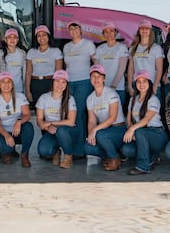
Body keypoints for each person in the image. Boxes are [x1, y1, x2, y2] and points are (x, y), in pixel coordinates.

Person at [122, 70, 169, 175]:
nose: (141, 84)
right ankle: (152, 157)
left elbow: (146, 119)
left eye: (144, 81)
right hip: (140, 134)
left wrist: (132, 129)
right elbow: (129, 120)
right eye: (138, 81)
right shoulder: (132, 99)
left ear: (149, 83)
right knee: (126, 150)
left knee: (140, 132)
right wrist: (131, 129)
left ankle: (143, 166)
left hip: (157, 134)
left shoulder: (153, 99)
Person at [83, 64, 126, 171]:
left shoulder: (111, 93)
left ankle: (115, 158)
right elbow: (92, 121)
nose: (96, 79)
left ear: (104, 78)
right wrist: (90, 136)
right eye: (93, 76)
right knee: (88, 147)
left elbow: (112, 117)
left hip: (117, 130)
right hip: (104, 131)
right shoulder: (90, 98)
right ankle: (109, 155)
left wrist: (95, 130)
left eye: (99, 76)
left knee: (100, 135)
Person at [62, 21, 96, 155]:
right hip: (70, 82)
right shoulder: (66, 47)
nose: (73, 31)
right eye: (71, 29)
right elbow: (66, 67)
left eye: (76, 28)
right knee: (70, 113)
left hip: (84, 81)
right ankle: (73, 145)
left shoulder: (88, 44)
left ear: (81, 30)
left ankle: (80, 149)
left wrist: (95, 80)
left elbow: (95, 62)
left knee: (79, 112)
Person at [35, 70, 79, 169]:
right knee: (44, 151)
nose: (60, 84)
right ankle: (56, 151)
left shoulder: (70, 99)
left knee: (61, 131)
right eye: (57, 81)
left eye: (63, 82)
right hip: (51, 131)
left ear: (67, 84)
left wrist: (51, 123)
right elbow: (39, 120)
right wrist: (47, 128)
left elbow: (71, 122)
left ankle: (68, 156)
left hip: (68, 131)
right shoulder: (44, 98)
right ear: (53, 82)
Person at [0, 71, 34, 167]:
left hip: (17, 130)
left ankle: (24, 154)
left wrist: (19, 121)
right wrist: (6, 135)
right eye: (3, 82)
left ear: (13, 84)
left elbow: (27, 115)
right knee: (7, 149)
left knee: (28, 127)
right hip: (3, 131)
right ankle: (7, 153)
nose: (6, 85)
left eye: (9, 81)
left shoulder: (20, 97)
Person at [25, 25, 63, 109]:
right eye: (39, 35)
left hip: (50, 83)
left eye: (44, 35)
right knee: (39, 110)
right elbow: (28, 73)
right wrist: (27, 91)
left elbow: (58, 72)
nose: (41, 37)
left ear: (48, 36)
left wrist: (56, 88)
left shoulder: (56, 51)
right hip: (35, 84)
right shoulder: (31, 52)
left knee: (51, 109)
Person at [95, 21, 129, 112]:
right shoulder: (99, 49)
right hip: (102, 89)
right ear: (103, 34)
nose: (109, 33)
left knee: (118, 115)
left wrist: (113, 86)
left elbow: (122, 68)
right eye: (106, 31)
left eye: (111, 31)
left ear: (116, 32)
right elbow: (96, 69)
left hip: (118, 88)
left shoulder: (122, 48)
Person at [127, 19, 164, 101]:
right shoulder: (133, 48)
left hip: (152, 85)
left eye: (147, 28)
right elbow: (130, 68)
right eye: (142, 28)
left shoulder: (156, 48)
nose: (144, 30)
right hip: (137, 85)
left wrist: (155, 86)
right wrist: (130, 86)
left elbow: (159, 69)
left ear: (150, 31)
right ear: (139, 31)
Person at [0, 28, 27, 94]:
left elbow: (24, 73)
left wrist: (25, 90)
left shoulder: (22, 53)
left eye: (14, 37)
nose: (12, 40)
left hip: (19, 89)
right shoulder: (0, 54)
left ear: (17, 39)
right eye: (9, 37)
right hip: (5, 90)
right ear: (5, 40)